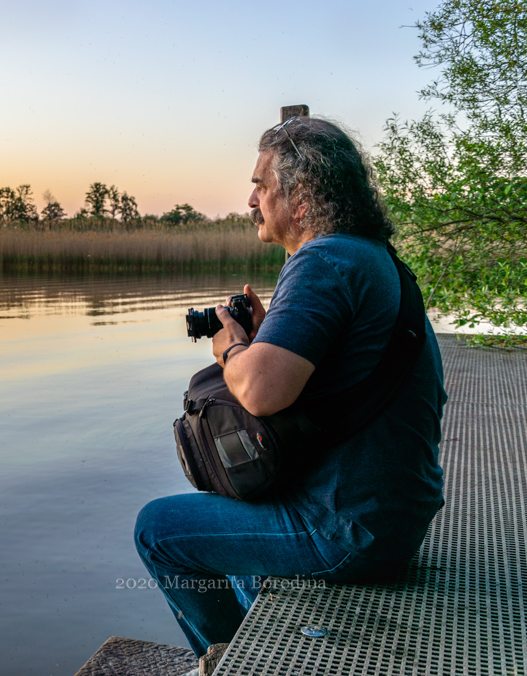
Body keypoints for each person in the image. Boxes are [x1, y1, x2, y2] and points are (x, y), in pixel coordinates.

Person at [134, 116, 446, 655]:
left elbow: (258, 393)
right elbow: (333, 375)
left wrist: (232, 348)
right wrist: (265, 339)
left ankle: (229, 663)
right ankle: (262, 642)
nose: (251, 199)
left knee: (158, 530)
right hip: (394, 517)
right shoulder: (373, 259)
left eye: (261, 184)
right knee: (237, 519)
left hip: (346, 531)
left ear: (300, 198)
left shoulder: (324, 260)